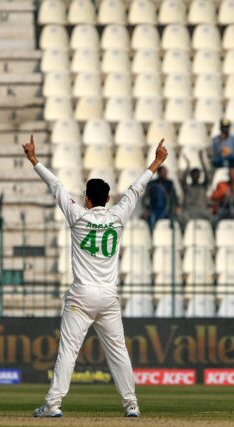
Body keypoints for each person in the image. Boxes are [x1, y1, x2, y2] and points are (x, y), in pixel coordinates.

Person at [23, 135, 168, 418]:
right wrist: (157, 162)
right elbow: (136, 190)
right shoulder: (117, 217)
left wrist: (33, 160)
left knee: (68, 351)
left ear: (87, 199)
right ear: (107, 198)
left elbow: (56, 187)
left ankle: (53, 405)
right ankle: (131, 404)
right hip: (108, 296)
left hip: (82, 295)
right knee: (118, 353)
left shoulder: (78, 216)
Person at [179, 152, 211, 229]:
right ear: (191, 176)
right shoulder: (187, 188)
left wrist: (202, 161)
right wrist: (188, 165)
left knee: (212, 219)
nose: (196, 176)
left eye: (198, 174)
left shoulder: (203, 186)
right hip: (189, 211)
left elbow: (207, 176)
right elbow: (183, 180)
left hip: (202, 211)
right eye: (194, 174)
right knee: (182, 218)